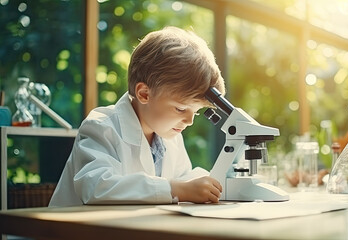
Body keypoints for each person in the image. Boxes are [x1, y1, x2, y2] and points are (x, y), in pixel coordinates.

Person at [49, 26, 225, 207]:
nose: (189, 121)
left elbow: (182, 178)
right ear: (144, 94)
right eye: (181, 109)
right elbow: (97, 187)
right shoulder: (101, 126)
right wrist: (177, 190)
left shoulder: (170, 136)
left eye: (195, 111)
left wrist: (206, 183)